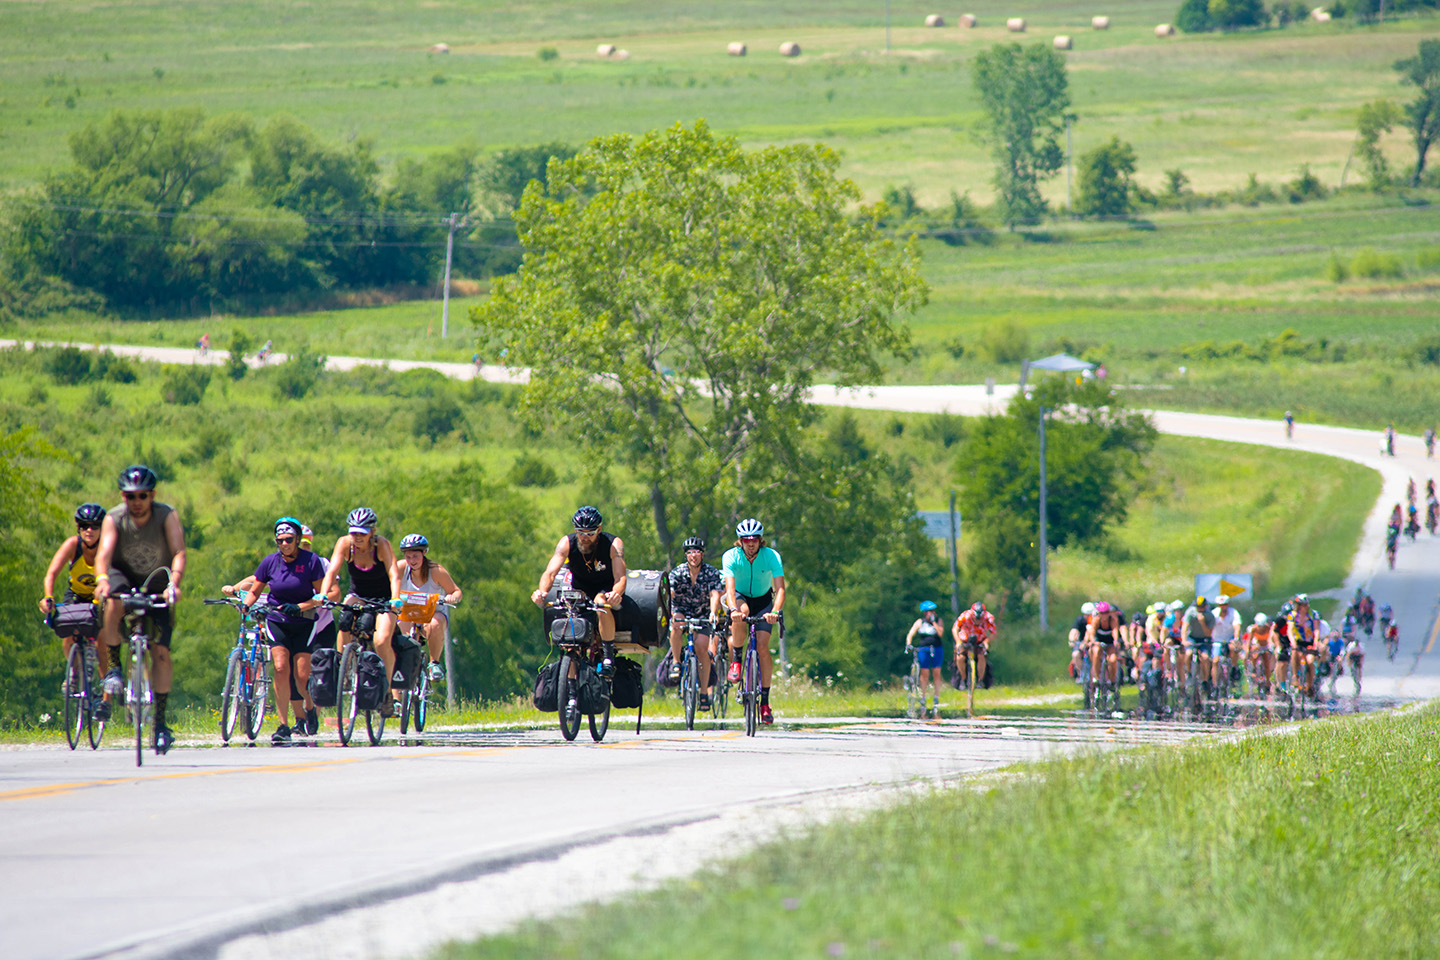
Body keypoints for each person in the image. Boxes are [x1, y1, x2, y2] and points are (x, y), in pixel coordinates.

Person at [92, 465, 187, 753]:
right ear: (122, 496)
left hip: (157, 577)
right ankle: (114, 668)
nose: (136, 502)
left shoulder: (166, 515)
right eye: (130, 496)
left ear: (152, 495)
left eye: (142, 496)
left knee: (160, 652)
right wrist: (102, 580)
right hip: (123, 574)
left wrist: (174, 584)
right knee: (114, 600)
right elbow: (104, 554)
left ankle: (160, 724)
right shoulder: (114, 517)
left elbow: (179, 551)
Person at [244, 518, 327, 743]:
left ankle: (309, 707)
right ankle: (283, 724)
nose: (284, 544)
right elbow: (255, 590)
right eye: (280, 540)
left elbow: (320, 597)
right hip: (277, 619)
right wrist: (246, 605)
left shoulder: (311, 561)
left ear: (297, 539)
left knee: (301, 676)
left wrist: (300, 607)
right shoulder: (270, 562)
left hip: (303, 621)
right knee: (280, 668)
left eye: (289, 540)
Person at [319, 507, 402, 715]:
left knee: (381, 641)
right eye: (354, 532)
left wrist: (396, 599)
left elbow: (394, 574)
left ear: (371, 532)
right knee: (345, 620)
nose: (357, 537)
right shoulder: (345, 544)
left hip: (384, 597)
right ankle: (345, 667)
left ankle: (389, 692)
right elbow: (332, 571)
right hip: (359, 594)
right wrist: (322, 594)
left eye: (362, 533)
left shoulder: (381, 545)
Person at [531, 506, 627, 677]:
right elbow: (550, 572)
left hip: (604, 588)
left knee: (600, 603)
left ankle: (608, 656)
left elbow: (620, 577)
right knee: (569, 634)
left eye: (590, 533)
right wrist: (542, 592)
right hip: (578, 589)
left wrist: (616, 594)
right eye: (580, 532)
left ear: (599, 529)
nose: (584, 538)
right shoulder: (567, 543)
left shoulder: (613, 544)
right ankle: (570, 691)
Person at [721, 518, 785, 726]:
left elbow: (780, 589)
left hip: (764, 600)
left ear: (760, 540)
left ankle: (765, 703)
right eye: (746, 539)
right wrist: (732, 609)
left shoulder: (771, 556)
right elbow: (729, 590)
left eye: (755, 539)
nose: (751, 543)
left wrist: (775, 611)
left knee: (763, 647)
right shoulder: (731, 556)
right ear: (740, 541)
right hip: (740, 597)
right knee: (741, 612)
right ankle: (737, 660)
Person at [39, 503, 107, 697]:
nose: (90, 530)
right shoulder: (72, 545)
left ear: (102, 528)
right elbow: (51, 573)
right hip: (76, 594)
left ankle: (105, 692)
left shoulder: (107, 548)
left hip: (101, 597)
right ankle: (73, 673)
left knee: (102, 641)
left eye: (95, 526)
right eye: (84, 526)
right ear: (78, 528)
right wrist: (48, 597)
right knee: (68, 628)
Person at [393, 533, 462, 682]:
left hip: (432, 613)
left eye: (416, 556)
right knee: (398, 626)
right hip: (407, 612)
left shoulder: (436, 571)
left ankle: (434, 663)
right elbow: (386, 583)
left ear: (424, 553)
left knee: (435, 624)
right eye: (408, 557)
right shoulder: (399, 568)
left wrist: (452, 597)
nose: (412, 561)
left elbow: (456, 591)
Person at [667, 536, 723, 711]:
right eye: (690, 552)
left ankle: (704, 692)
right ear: (686, 555)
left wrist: (713, 613)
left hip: (703, 614)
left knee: (701, 649)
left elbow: (715, 595)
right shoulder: (677, 572)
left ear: (703, 554)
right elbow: (670, 594)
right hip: (682, 611)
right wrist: (669, 611)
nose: (694, 556)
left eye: (697, 552)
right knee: (675, 624)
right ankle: (676, 662)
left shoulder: (711, 572)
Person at [905, 601, 946, 719]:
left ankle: (936, 698)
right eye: (930, 611)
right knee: (924, 673)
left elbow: (940, 633)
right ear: (925, 613)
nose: (932, 613)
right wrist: (908, 643)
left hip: (937, 648)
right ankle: (923, 697)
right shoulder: (920, 622)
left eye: (933, 611)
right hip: (924, 649)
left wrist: (933, 622)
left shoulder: (938, 621)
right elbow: (911, 633)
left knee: (936, 672)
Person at [953, 600, 997, 691]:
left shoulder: (989, 618)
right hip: (965, 640)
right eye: (976, 619)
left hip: (979, 641)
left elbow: (993, 633)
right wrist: (958, 641)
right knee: (960, 657)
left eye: (980, 619)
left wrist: (986, 642)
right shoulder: (965, 616)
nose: (978, 621)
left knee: (982, 656)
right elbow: (955, 628)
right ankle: (963, 679)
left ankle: (980, 681)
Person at [1286, 594, 1321, 699]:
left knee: (1310, 662)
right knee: (1294, 653)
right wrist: (1293, 642)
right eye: (1302, 605)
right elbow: (1290, 630)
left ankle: (1310, 685)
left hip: (1309, 642)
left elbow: (1316, 629)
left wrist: (1316, 642)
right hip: (1298, 641)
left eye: (1306, 605)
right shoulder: (1292, 615)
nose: (1304, 607)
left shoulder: (1313, 614)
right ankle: (1295, 676)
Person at [1180, 595, 1215, 695]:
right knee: (1188, 653)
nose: (1200, 609)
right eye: (1198, 607)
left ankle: (1205, 680)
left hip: (1204, 638)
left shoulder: (1209, 615)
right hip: (1192, 637)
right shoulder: (1190, 612)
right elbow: (1184, 627)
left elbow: (1208, 633)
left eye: (1202, 607)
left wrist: (1202, 622)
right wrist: (1184, 640)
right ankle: (1189, 673)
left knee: (1205, 657)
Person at [1210, 594, 1242, 692]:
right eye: (1220, 605)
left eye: (1224, 604)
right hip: (1217, 640)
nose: (1223, 607)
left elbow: (1237, 626)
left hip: (1229, 638)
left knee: (1233, 648)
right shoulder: (1213, 614)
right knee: (1215, 661)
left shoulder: (1233, 613)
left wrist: (1236, 638)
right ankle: (1215, 685)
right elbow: (1210, 628)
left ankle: (1234, 668)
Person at [1068, 601, 1096, 683]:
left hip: (1093, 643)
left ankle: (1095, 674)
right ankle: (1082, 673)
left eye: (1089, 614)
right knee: (1075, 654)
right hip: (1081, 643)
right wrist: (1071, 640)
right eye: (1086, 614)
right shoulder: (1080, 620)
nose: (1087, 616)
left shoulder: (1096, 622)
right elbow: (1074, 630)